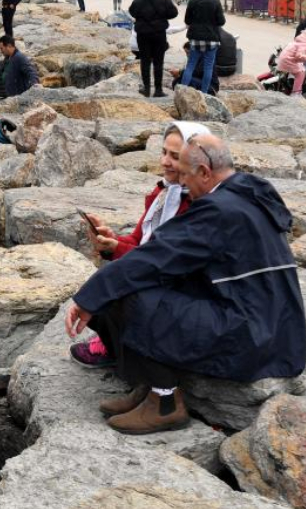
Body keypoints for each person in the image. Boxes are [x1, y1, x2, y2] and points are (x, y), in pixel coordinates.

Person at [64, 134, 306, 435]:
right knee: (124, 283)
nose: (182, 186)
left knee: (131, 296)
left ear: (205, 172)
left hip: (252, 334)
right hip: (270, 326)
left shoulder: (219, 209)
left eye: (186, 176)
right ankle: (149, 386)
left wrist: (87, 299)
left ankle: (166, 403)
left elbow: (155, 258)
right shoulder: (246, 194)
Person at [72, 122, 211, 369]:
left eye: (175, 156)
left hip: (181, 293)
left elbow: (159, 264)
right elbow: (139, 242)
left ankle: (124, 353)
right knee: (100, 290)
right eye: (164, 152)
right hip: (157, 276)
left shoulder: (197, 208)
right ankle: (119, 343)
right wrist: (111, 241)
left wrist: (116, 249)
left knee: (108, 295)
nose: (165, 162)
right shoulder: (163, 195)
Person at [128, 0, 179, 97]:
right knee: (158, 62)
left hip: (142, 34)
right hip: (159, 33)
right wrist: (162, 15)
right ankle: (158, 90)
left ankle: (146, 89)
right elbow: (174, 13)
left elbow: (131, 11)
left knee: (145, 61)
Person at [183, 0, 226, 97]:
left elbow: (187, 20)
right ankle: (204, 94)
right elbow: (221, 21)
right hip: (211, 40)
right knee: (208, 68)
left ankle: (183, 90)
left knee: (190, 65)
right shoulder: (216, 2)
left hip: (195, 39)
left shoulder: (192, 1)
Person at [276, 29, 306, 97]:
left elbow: (303, 53)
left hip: (287, 58)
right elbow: (299, 56)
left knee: (300, 68)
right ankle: (296, 93)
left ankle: (296, 90)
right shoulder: (305, 43)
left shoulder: (302, 39)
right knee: (301, 72)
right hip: (288, 60)